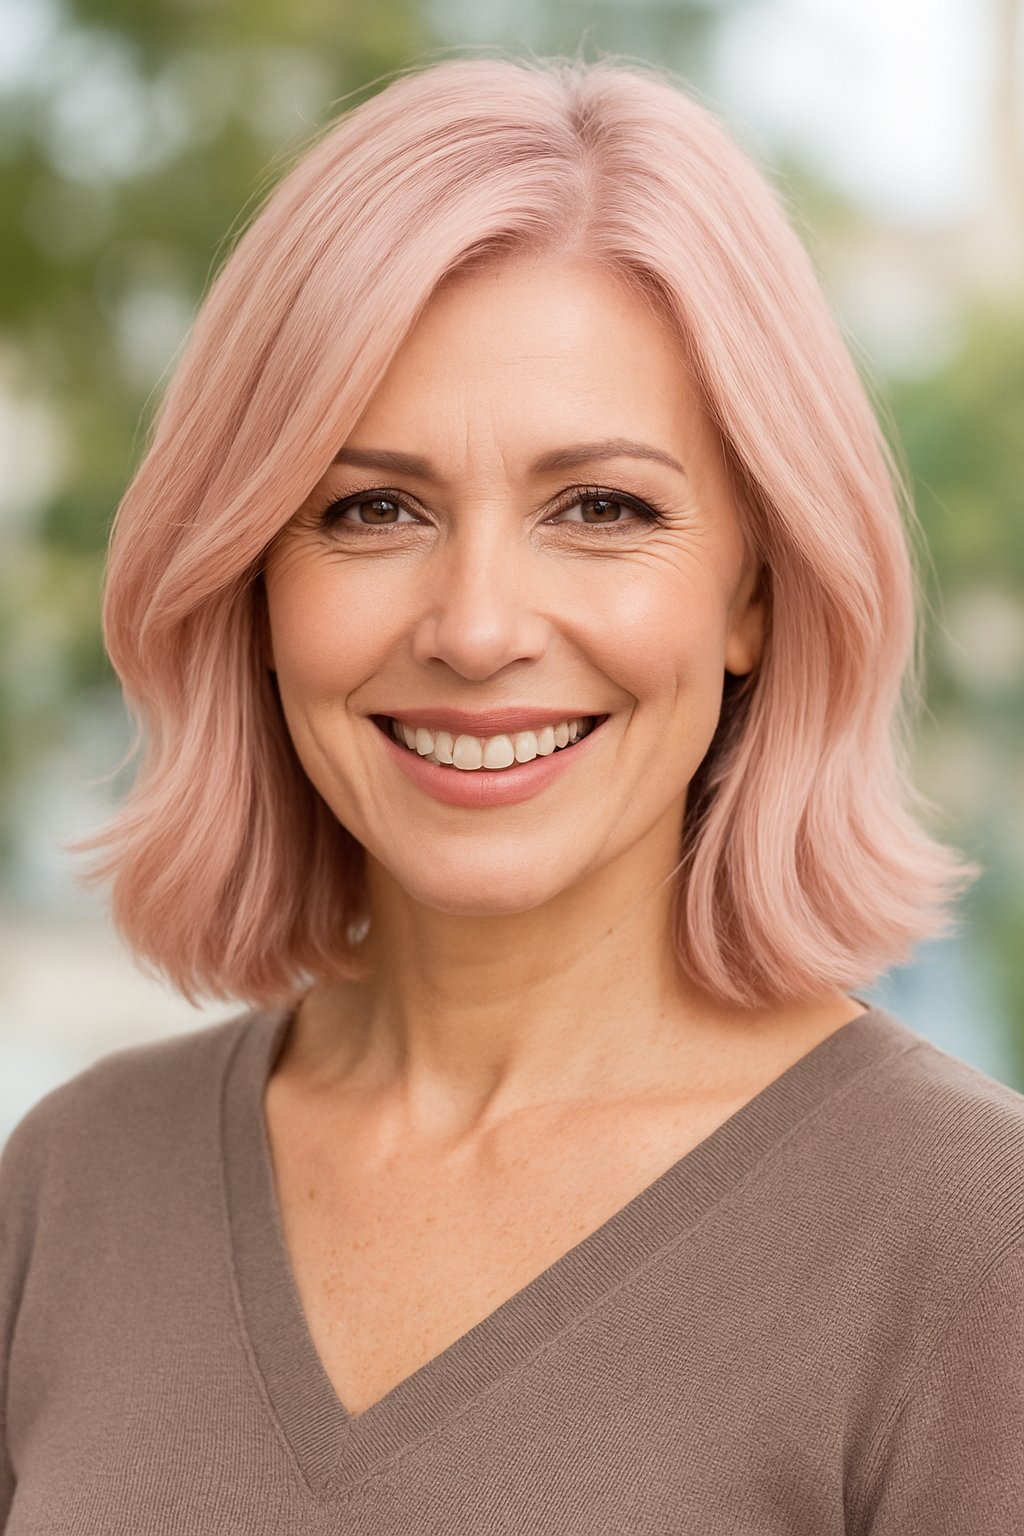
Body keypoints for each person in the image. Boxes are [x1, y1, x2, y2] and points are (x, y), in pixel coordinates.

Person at [1, 51, 1021, 1535]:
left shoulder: (968, 1242)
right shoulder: (71, 1189)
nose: (477, 627)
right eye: (371, 508)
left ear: (754, 591)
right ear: (252, 580)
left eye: (601, 508)